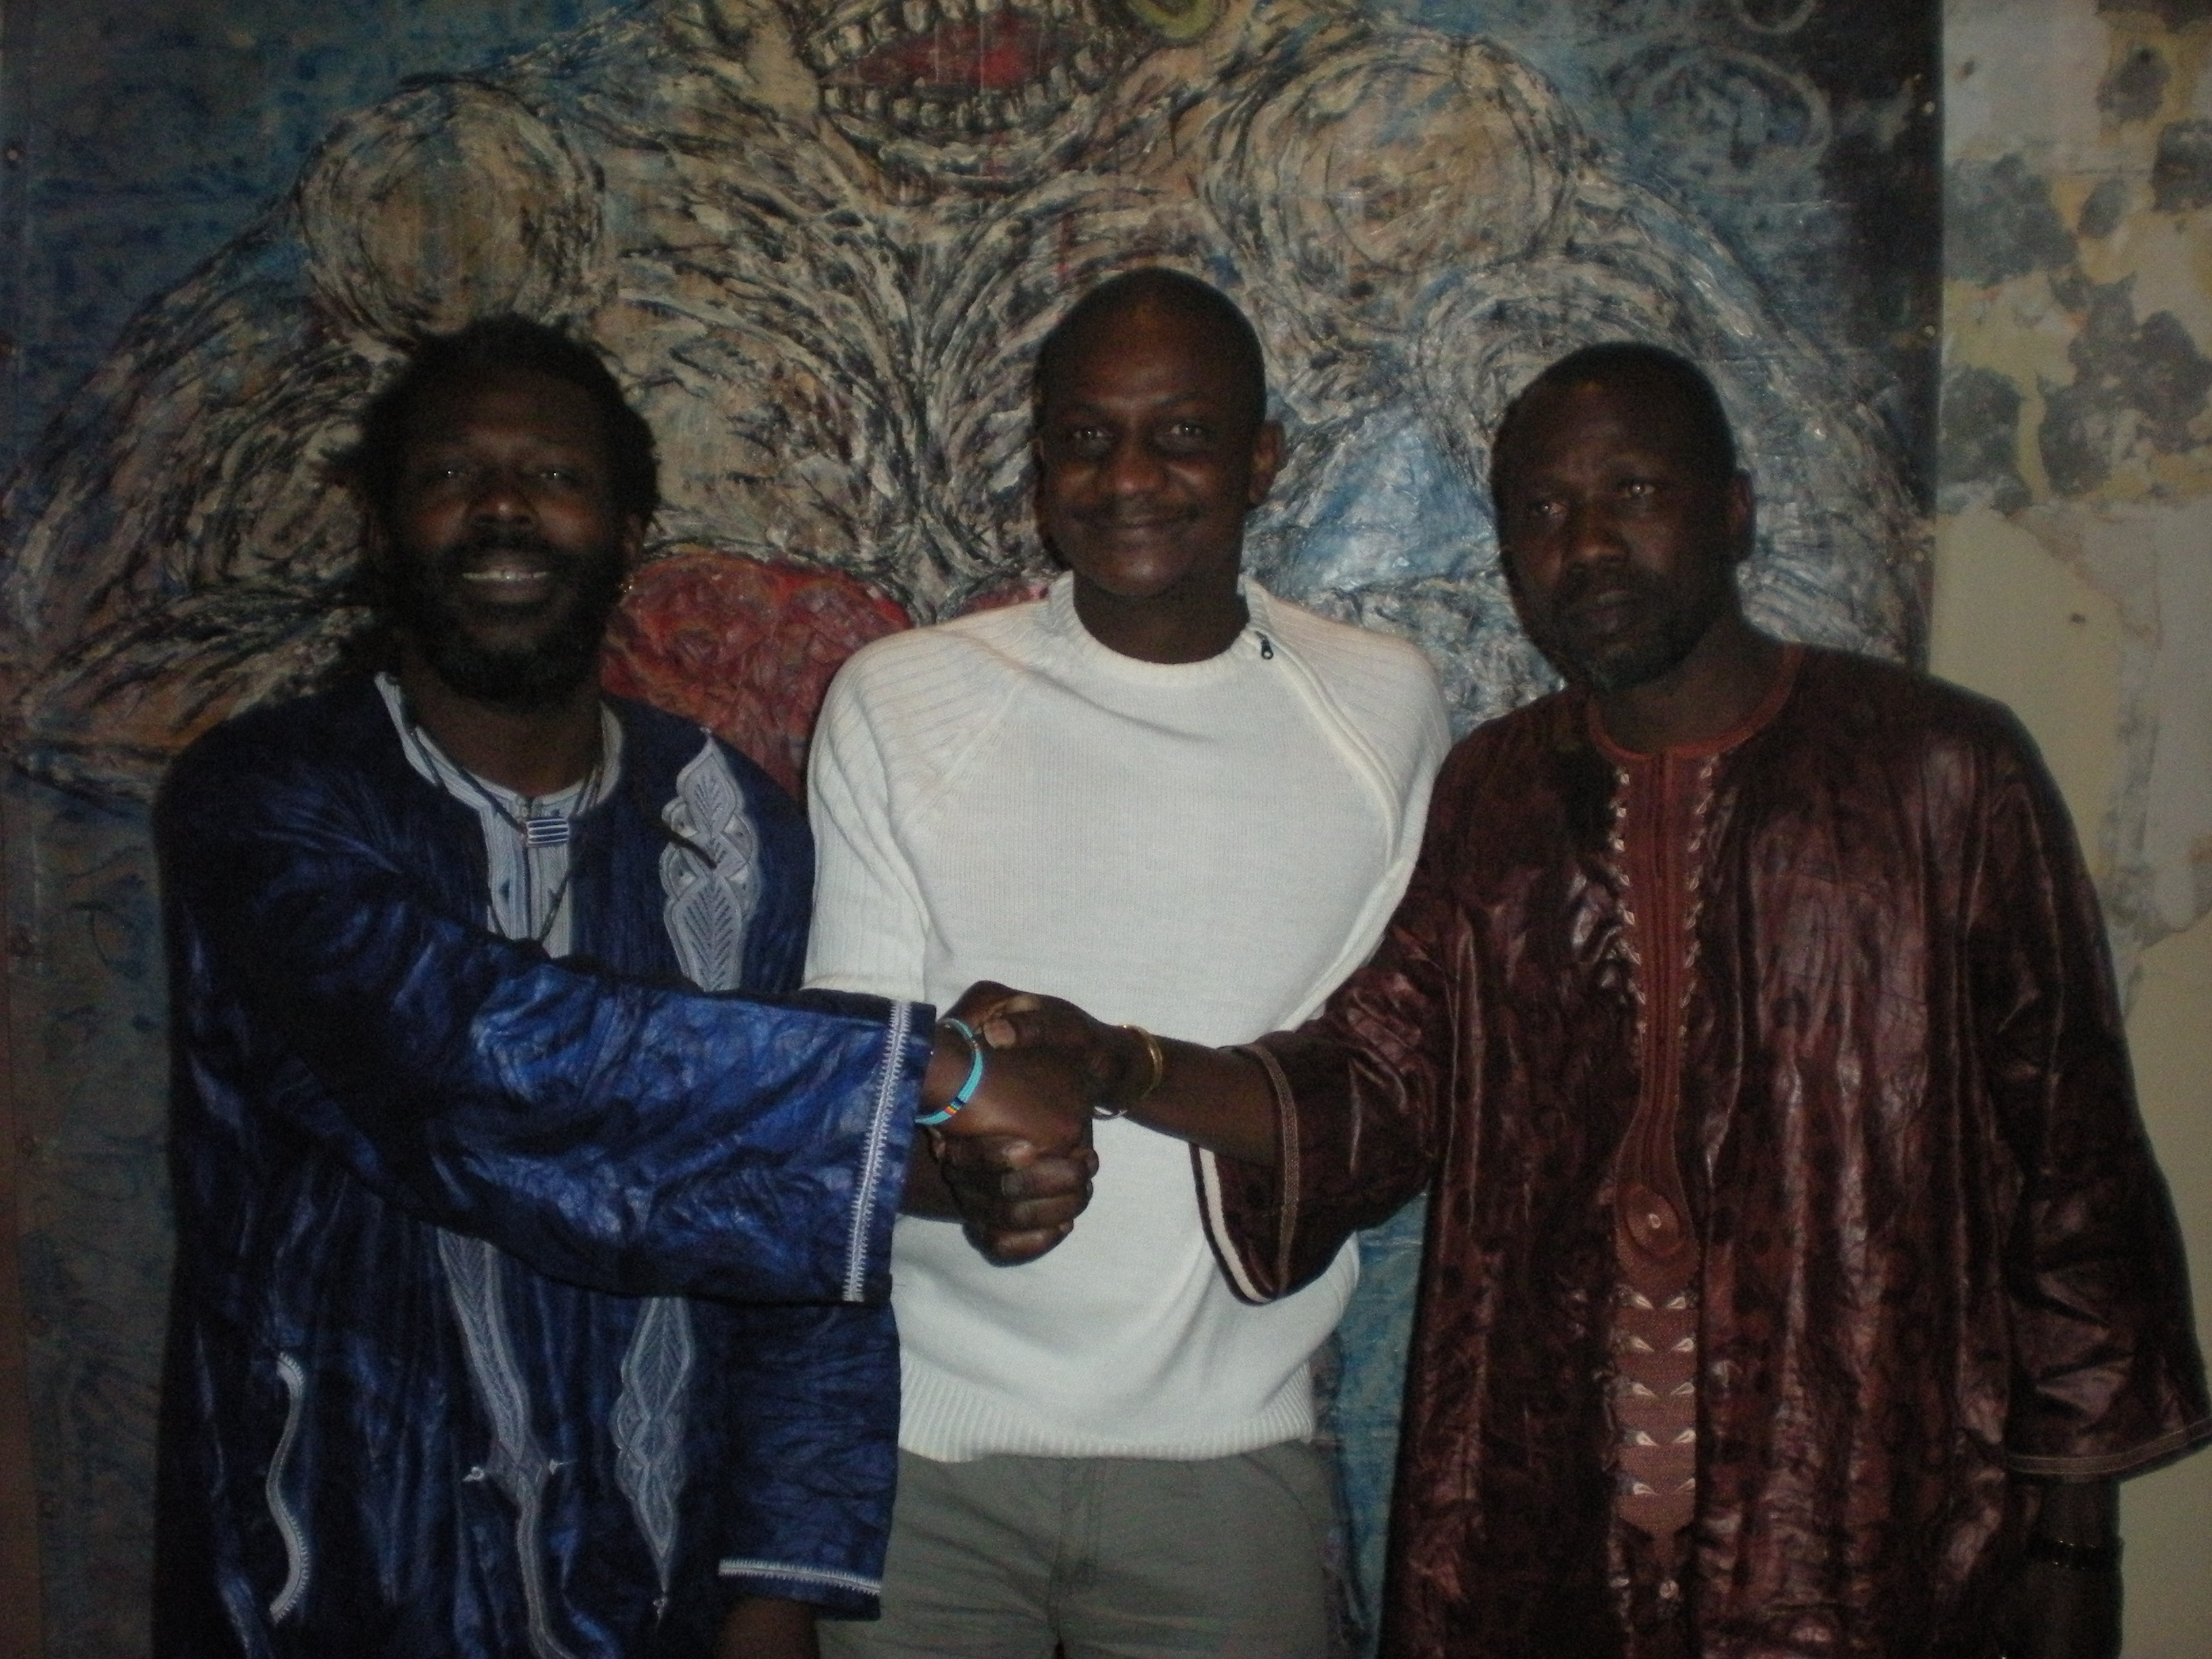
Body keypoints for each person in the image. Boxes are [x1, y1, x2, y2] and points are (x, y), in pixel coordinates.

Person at [977, 343, 2211, 1656]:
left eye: (1635, 492)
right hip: (1548, 1522)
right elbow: (1381, 1083)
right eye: (1545, 511)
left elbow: (2071, 1176)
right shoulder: (1499, 795)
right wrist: (1121, 1063)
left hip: (1859, 1520)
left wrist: (2074, 1541)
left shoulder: (1939, 776)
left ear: (1734, 511)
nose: (1591, 545)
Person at [150, 316, 1094, 1659]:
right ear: (382, 527)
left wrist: (773, 1593)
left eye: (556, 475)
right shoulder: (266, 802)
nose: (503, 508)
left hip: (660, 1584)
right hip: (341, 1569)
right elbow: (476, 1060)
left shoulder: (732, 830)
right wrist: (938, 1078)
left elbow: (805, 1259)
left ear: (630, 531)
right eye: (450, 475)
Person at [800, 269, 1449, 1656]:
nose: (1131, 478)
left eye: (1184, 436)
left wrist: (1117, 1064)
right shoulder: (904, 700)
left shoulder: (1379, 707)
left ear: (1263, 459)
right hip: (921, 1461)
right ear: (1041, 467)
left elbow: (1377, 1094)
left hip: (1227, 1464)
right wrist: (964, 1174)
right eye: (1087, 439)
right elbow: (837, 1104)